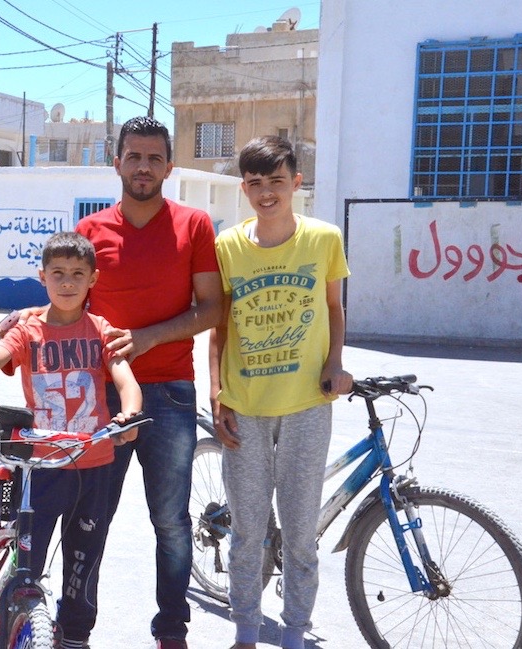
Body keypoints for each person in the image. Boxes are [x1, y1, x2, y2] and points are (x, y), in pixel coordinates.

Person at [0, 231, 142, 649]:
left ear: (93, 279)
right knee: (27, 562)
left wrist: (128, 413)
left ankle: (74, 637)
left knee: (83, 561)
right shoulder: (30, 328)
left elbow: (126, 378)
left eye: (77, 274)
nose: (67, 282)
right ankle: (7, 620)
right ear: (42, 277)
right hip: (42, 468)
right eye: (58, 273)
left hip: (94, 465)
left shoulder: (101, 330)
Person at [75, 116, 224, 649]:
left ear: (169, 166)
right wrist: (23, 322)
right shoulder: (90, 234)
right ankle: (75, 630)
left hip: (169, 396)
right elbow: (67, 306)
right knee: (90, 517)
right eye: (133, 156)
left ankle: (171, 630)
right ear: (116, 162)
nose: (143, 166)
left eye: (154, 158)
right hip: (98, 398)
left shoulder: (195, 226)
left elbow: (211, 308)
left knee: (171, 522)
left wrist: (146, 338)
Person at [209, 135, 353, 649]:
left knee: (299, 532)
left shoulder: (323, 239)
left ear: (296, 182)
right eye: (254, 183)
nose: (265, 192)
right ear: (243, 188)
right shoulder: (227, 247)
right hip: (245, 406)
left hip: (307, 404)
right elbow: (221, 326)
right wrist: (216, 391)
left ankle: (294, 630)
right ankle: (246, 629)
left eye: (276, 181)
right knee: (247, 531)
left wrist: (336, 362)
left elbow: (335, 308)